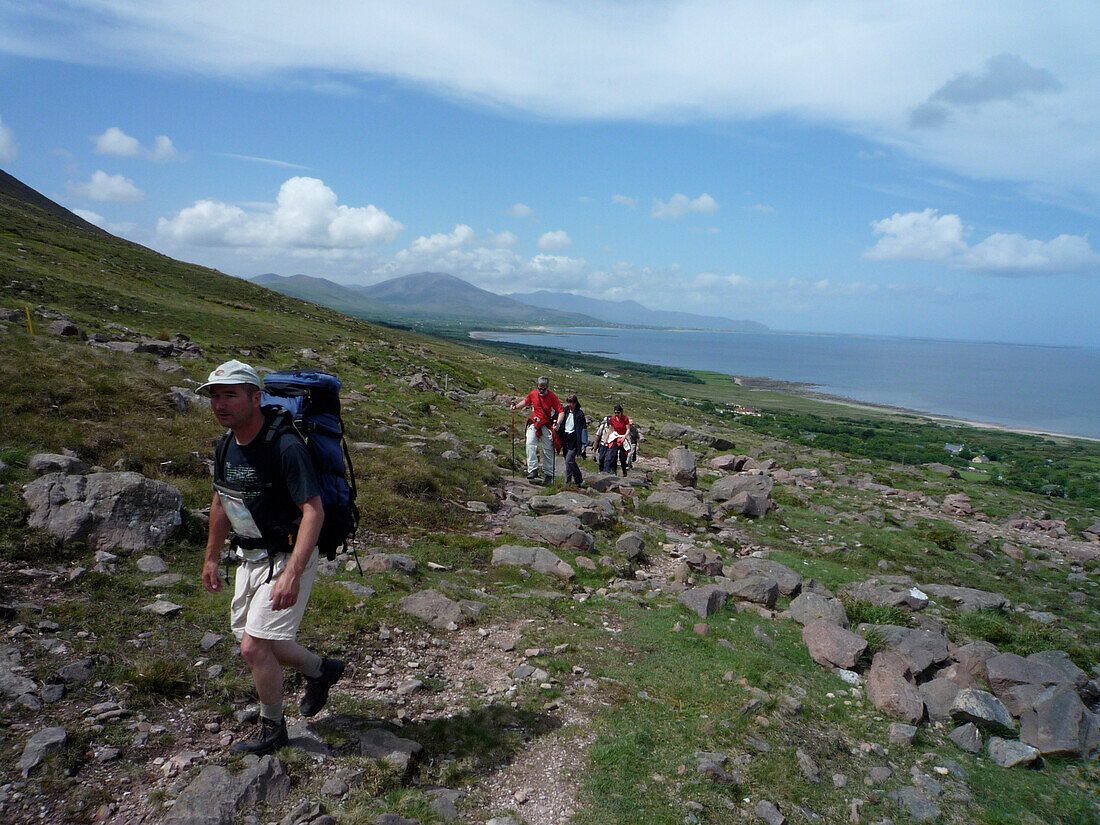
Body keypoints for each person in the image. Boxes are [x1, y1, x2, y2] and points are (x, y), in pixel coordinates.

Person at [199, 359, 345, 756]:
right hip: (251, 557)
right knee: (261, 640)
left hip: (287, 554)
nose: (220, 404)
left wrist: (293, 574)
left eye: (230, 394)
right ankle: (322, 670)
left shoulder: (285, 445)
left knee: (253, 647)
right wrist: (211, 557)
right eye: (214, 396)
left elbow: (314, 510)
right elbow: (220, 501)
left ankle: (273, 727)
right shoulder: (228, 444)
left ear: (256, 397)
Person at [510, 375, 565, 483]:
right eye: (540, 388)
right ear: (537, 387)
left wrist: (558, 423)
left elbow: (561, 411)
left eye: (544, 389)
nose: (542, 391)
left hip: (546, 424)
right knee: (530, 443)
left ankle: (549, 474)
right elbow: (526, 402)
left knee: (548, 449)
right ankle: (533, 470)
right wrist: (515, 407)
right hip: (534, 422)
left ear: (547, 387)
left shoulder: (552, 397)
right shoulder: (533, 394)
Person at [558, 394, 588, 485]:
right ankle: (579, 479)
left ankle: (568, 482)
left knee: (568, 461)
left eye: (571, 402)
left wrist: (584, 445)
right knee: (570, 461)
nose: (569, 404)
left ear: (575, 403)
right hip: (565, 438)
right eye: (568, 402)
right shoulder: (565, 411)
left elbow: (584, 429)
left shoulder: (580, 414)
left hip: (574, 440)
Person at [603, 403, 632, 475]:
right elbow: (610, 429)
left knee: (622, 456)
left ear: (621, 412)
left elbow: (628, 429)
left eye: (618, 412)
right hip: (616, 436)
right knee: (613, 454)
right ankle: (614, 470)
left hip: (623, 436)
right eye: (615, 412)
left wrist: (624, 436)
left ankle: (624, 470)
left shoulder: (625, 418)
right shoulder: (612, 419)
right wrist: (606, 439)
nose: (616, 414)